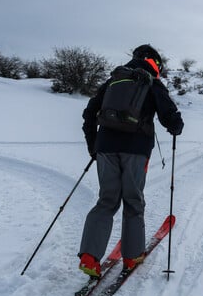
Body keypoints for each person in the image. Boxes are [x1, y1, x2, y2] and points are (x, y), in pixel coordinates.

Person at [78, 44, 184, 277]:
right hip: (136, 149)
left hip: (106, 148)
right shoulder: (151, 82)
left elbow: (89, 114)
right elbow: (169, 115)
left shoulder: (113, 80)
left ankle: (89, 256)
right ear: (154, 63)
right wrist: (176, 126)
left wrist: (93, 146)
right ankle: (132, 255)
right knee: (133, 201)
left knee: (106, 200)